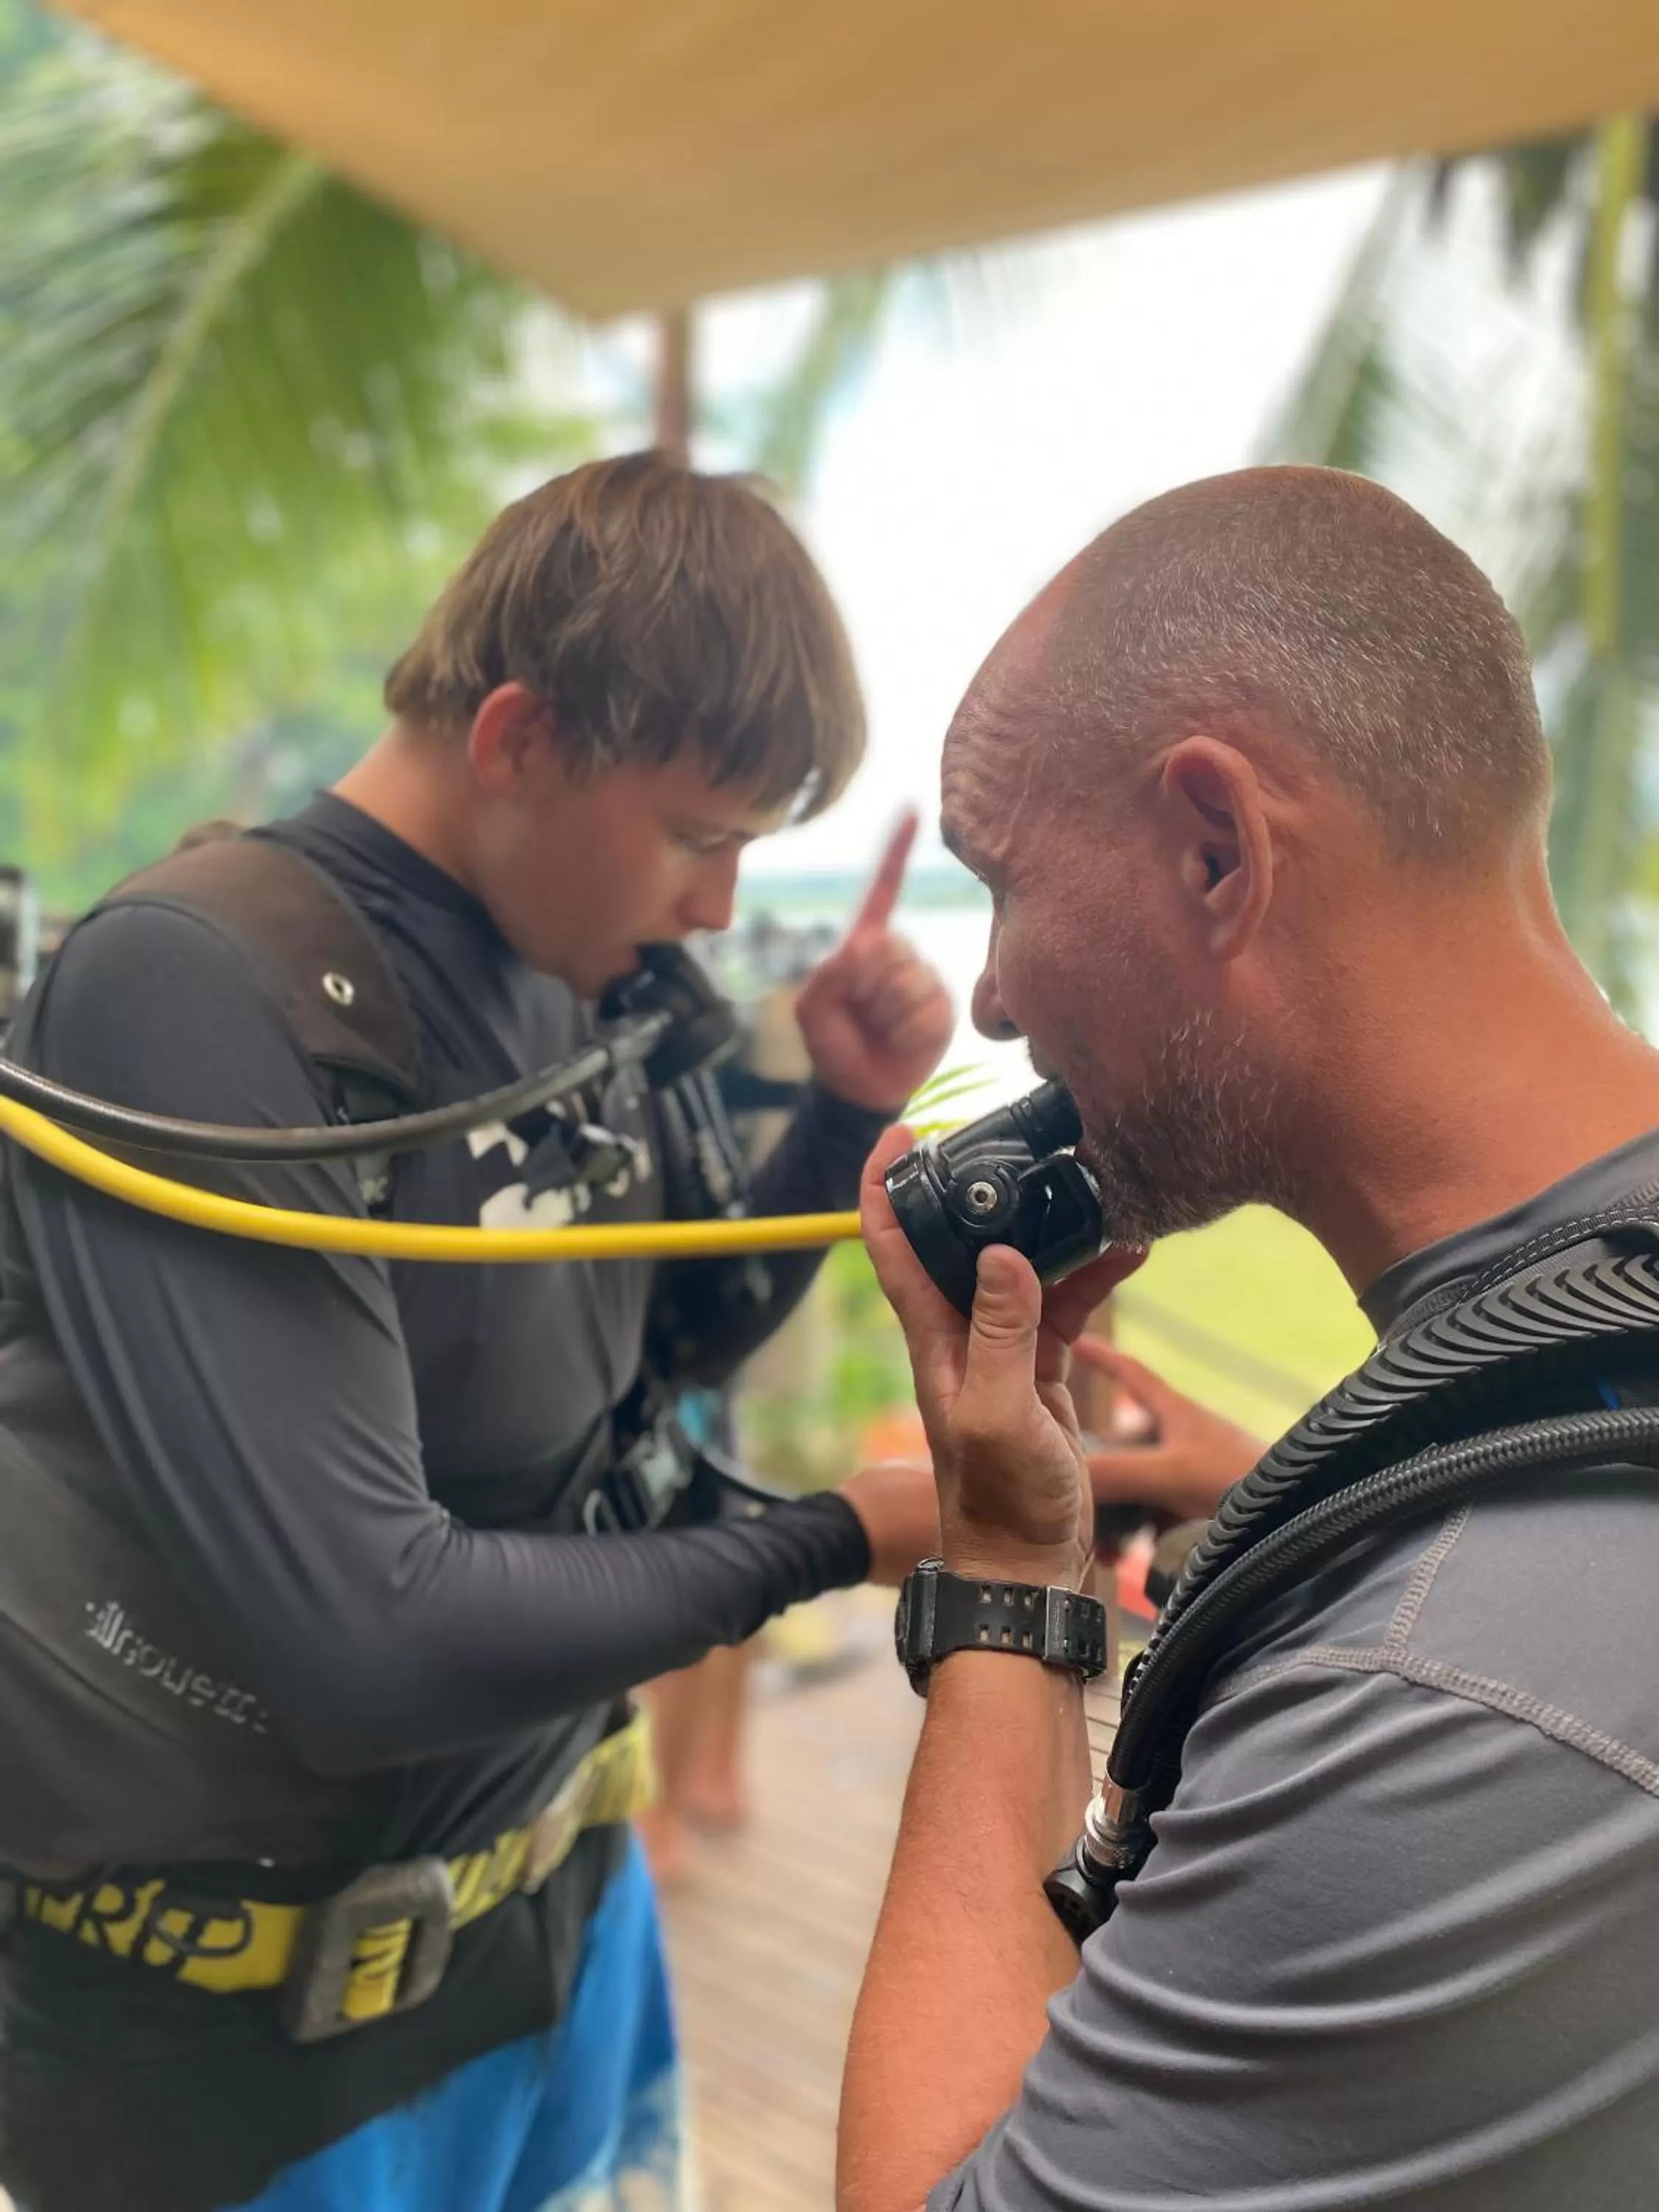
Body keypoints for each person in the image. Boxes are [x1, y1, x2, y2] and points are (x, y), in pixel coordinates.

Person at [0, 452, 951, 2212]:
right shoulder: (200, 990)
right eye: (698, 835)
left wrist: (832, 1116)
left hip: (567, 1935)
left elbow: (645, 1368)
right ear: (517, 739)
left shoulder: (582, 971)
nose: (717, 912)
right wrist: (840, 1535)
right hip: (252, 2070)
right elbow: (365, 1641)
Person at [839, 465, 1659, 2211]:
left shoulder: (1436, 1686)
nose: (989, 997)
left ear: (1217, 850)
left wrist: (1007, 1560)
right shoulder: (1568, 1364)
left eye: (1001, 881)